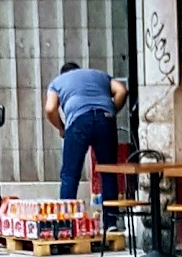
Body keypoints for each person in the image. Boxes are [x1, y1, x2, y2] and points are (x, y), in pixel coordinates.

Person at [44, 62, 127, 228]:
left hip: (78, 122)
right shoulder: (100, 75)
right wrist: (111, 111)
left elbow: (50, 108)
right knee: (108, 171)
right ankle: (110, 223)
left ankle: (66, 224)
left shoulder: (57, 82)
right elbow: (122, 91)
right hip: (105, 120)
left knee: (70, 174)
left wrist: (62, 128)